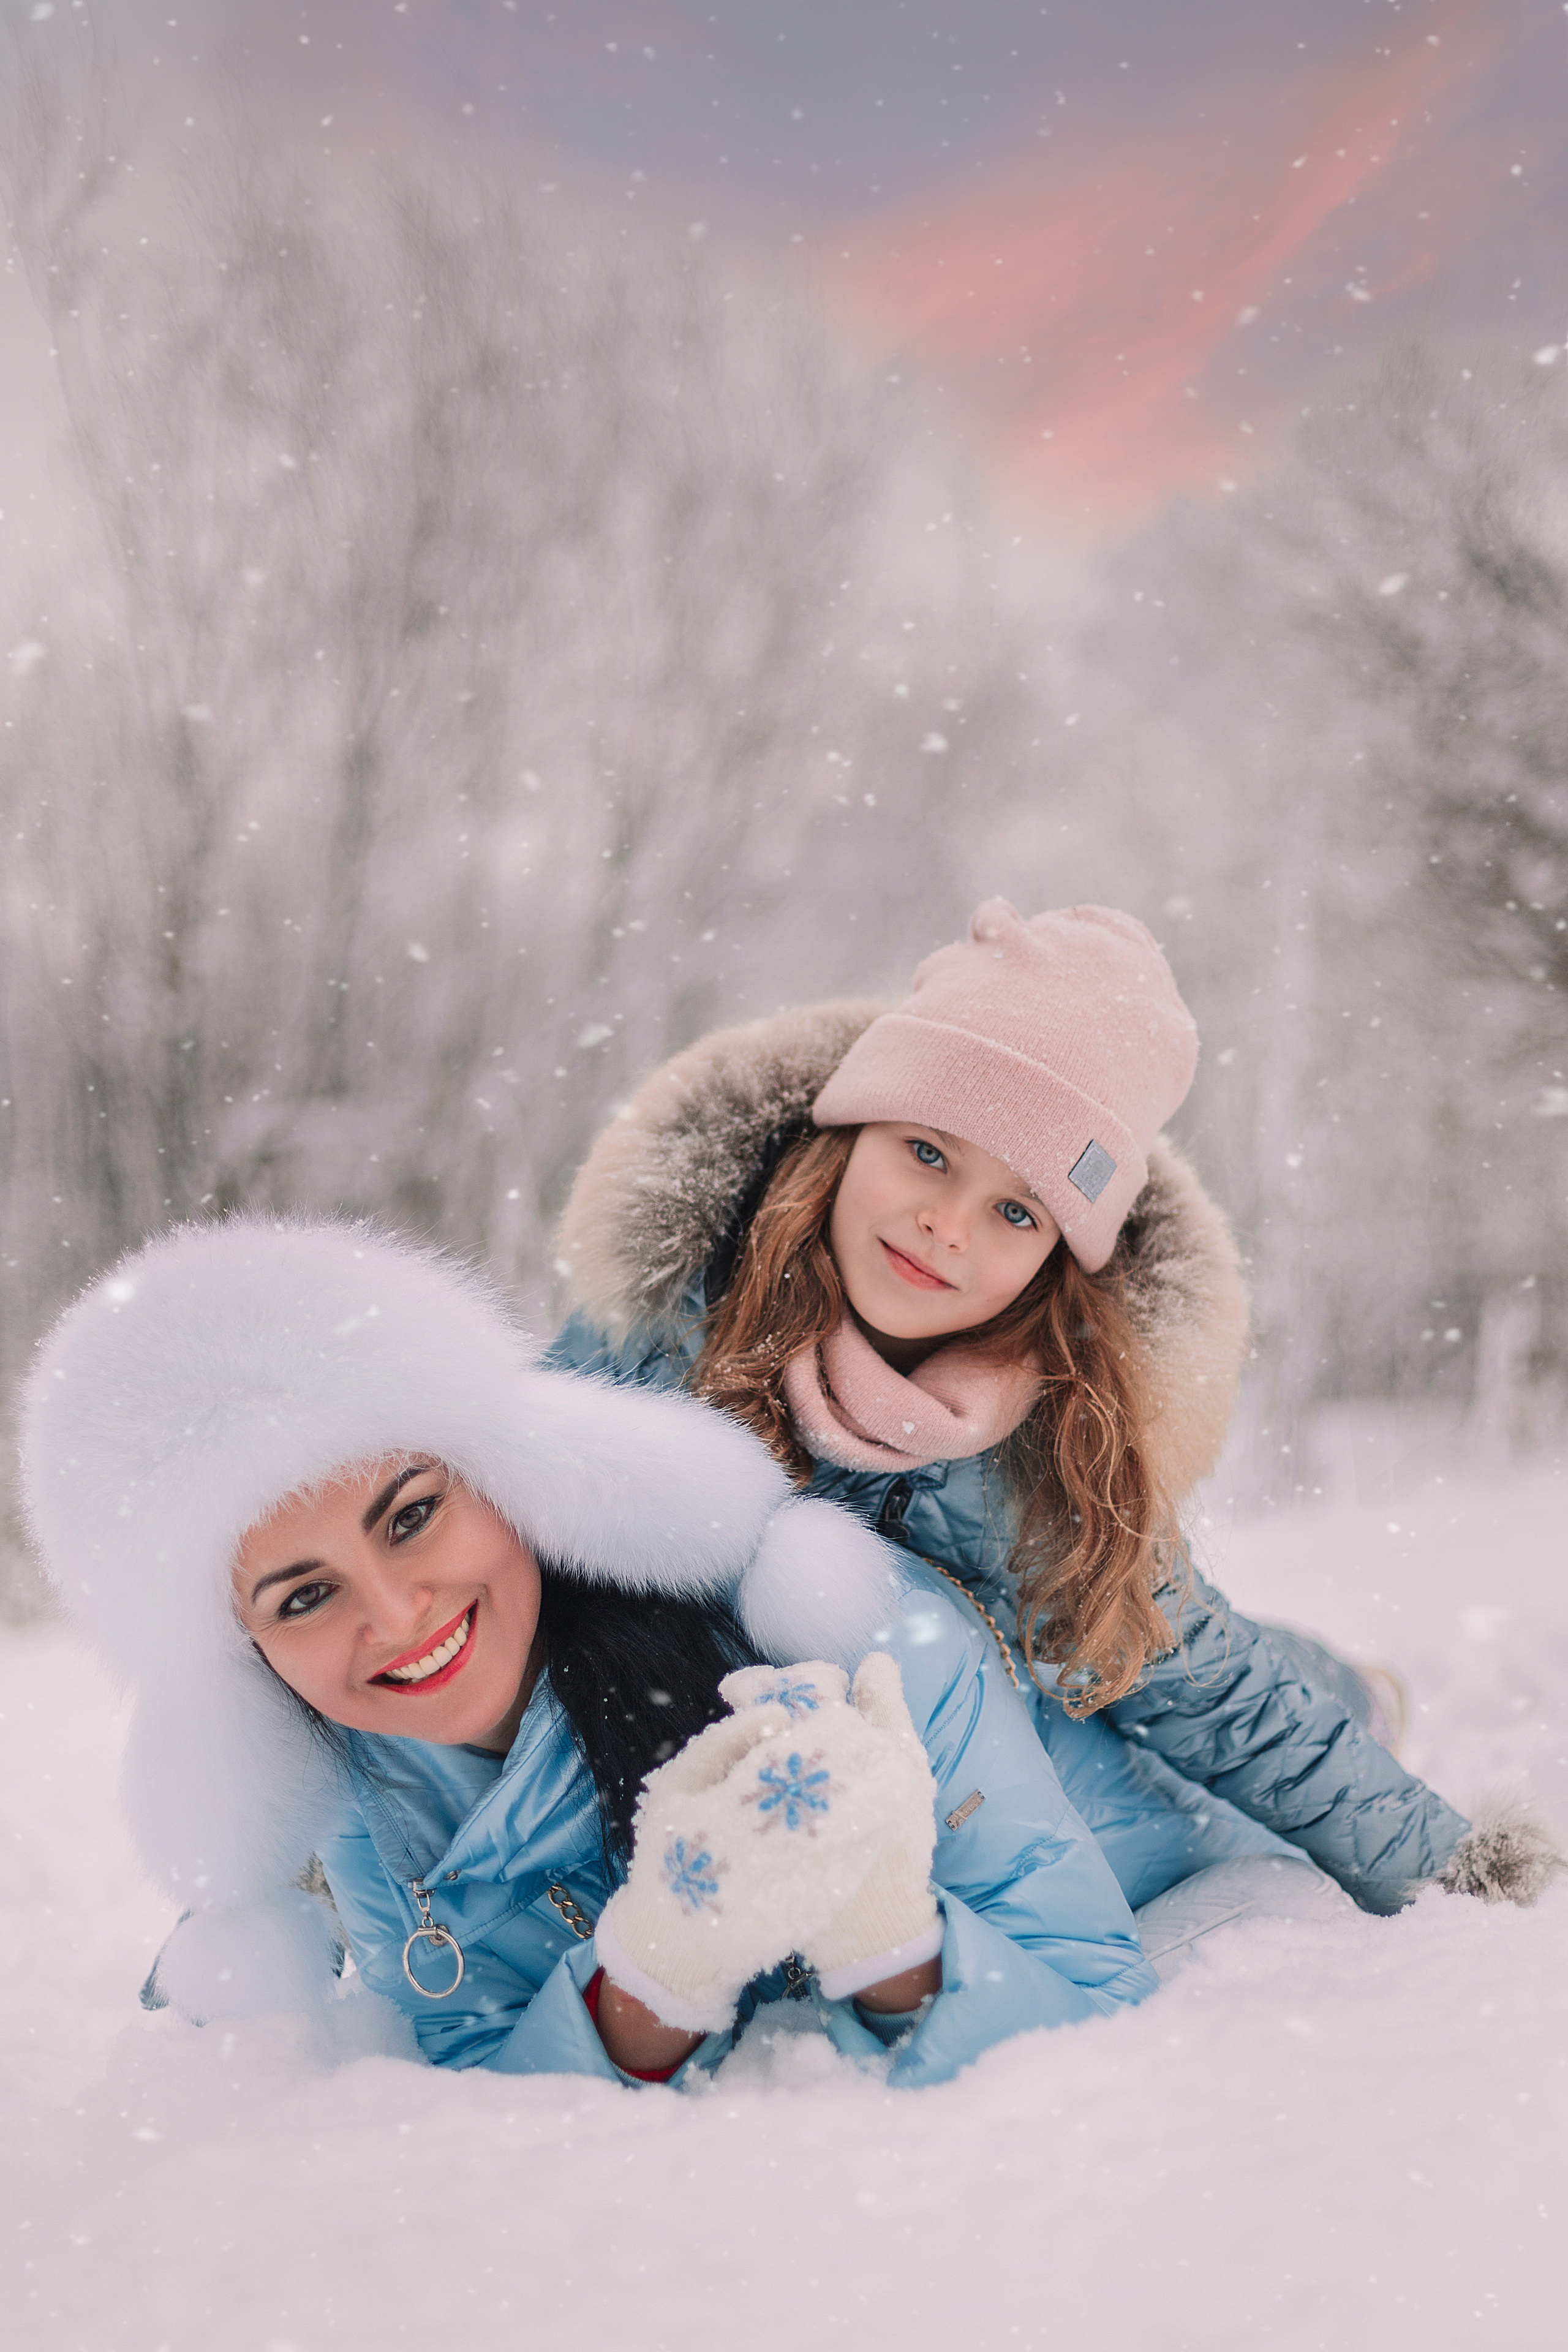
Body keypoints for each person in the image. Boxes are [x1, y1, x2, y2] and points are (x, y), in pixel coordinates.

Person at [549, 897, 1559, 1935]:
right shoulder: (670, 1325)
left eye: (1018, 1210)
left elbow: (1214, 1694)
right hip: (771, 1742)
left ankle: (1350, 1686)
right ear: (848, 1137)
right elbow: (495, 1529)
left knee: (1183, 1739)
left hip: (1037, 1747)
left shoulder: (1040, 1447)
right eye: (928, 1152)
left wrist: (1453, 1872)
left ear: (1051, 1262)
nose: (947, 1226)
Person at [21, 1215, 1158, 2091]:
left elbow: (1095, 1998)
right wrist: (653, 1977)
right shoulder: (377, 1816)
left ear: (510, 1480)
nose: (400, 1613)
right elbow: (496, 2101)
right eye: (305, 1595)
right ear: (247, 1658)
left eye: (411, 1516)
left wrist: (887, 1934)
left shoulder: (843, 1632)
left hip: (1164, 1768)